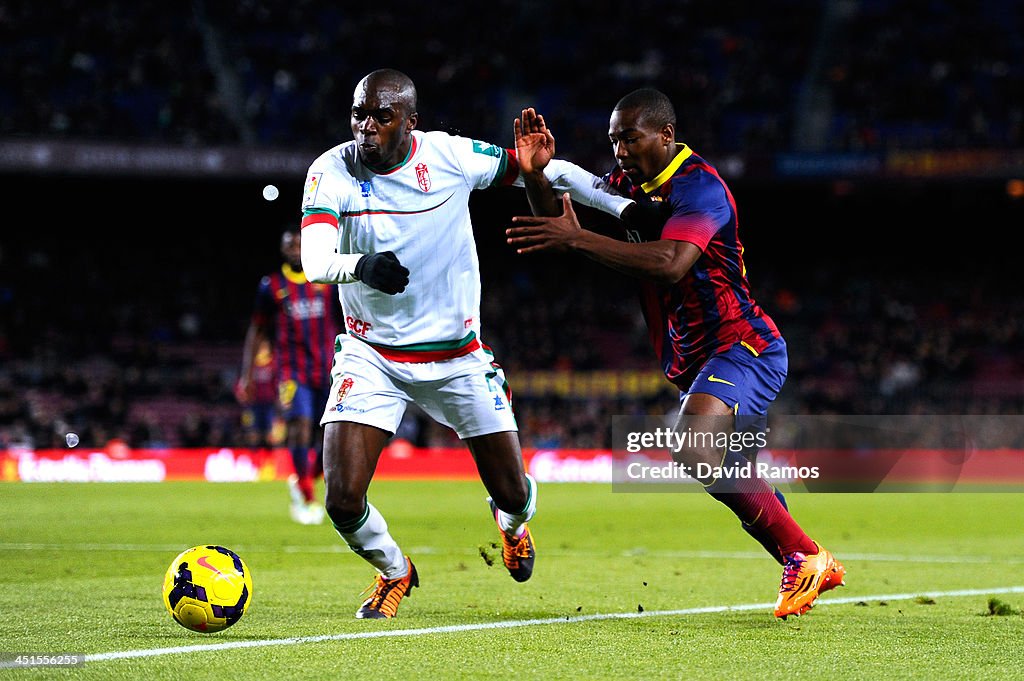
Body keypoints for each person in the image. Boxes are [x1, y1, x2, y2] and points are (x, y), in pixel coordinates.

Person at [298, 68, 634, 619]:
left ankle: (512, 526)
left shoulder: (448, 157)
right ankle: (394, 570)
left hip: (457, 356)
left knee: (511, 492)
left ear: (411, 122)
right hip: (372, 355)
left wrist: (624, 210)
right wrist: (360, 266)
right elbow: (314, 261)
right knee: (340, 497)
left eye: (382, 117)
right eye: (359, 114)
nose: (366, 128)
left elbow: (551, 171)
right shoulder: (330, 170)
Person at [505, 91, 846, 620]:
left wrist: (580, 241)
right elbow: (563, 206)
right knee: (730, 465)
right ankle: (803, 555)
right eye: (614, 139)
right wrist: (534, 174)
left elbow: (670, 262)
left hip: (744, 345)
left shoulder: (700, 188)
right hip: (694, 355)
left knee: (693, 449)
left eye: (630, 138)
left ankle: (803, 555)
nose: (619, 150)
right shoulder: (633, 185)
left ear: (665, 135)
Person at [237, 228, 343, 525]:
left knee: (332, 433)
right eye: (289, 244)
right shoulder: (271, 286)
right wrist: (246, 376)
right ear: (283, 250)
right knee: (299, 425)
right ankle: (307, 495)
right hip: (292, 372)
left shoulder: (326, 280)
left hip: (329, 368)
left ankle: (304, 478)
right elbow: (257, 329)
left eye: (299, 243)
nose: (295, 248)